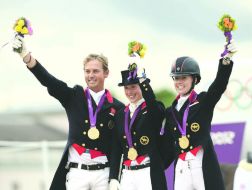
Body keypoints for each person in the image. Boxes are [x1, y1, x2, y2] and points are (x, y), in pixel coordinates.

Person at [12, 35, 124, 190]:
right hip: (77, 173)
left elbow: (117, 145)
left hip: (103, 174)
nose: (90, 75)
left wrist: (114, 177)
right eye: (87, 71)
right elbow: (49, 81)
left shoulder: (117, 107)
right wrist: (27, 57)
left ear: (106, 73)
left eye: (95, 71)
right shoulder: (74, 96)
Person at [162, 40, 237, 190]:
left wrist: (226, 60)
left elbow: (219, 85)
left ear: (194, 79)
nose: (179, 82)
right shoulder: (170, 111)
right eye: (176, 78)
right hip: (181, 167)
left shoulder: (203, 101)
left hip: (200, 164)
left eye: (183, 77)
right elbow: (168, 146)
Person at [108, 52, 168, 190]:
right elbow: (117, 148)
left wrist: (142, 79)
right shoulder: (120, 114)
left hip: (147, 171)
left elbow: (152, 103)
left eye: (134, 86)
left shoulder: (154, 107)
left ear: (141, 86)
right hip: (127, 173)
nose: (130, 91)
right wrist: (113, 177)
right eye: (127, 88)